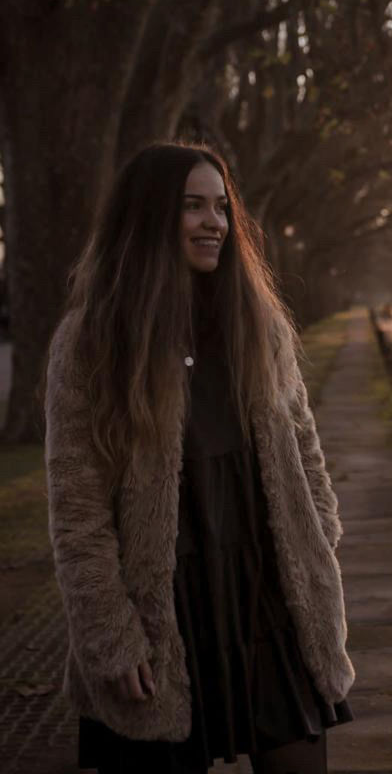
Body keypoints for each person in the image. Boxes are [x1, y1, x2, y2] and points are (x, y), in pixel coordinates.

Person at [43, 143, 355, 774]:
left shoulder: (257, 326)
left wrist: (319, 545)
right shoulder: (92, 344)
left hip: (271, 599)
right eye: (192, 206)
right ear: (149, 217)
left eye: (221, 207)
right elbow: (77, 512)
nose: (214, 221)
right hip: (164, 611)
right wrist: (111, 635)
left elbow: (307, 457)